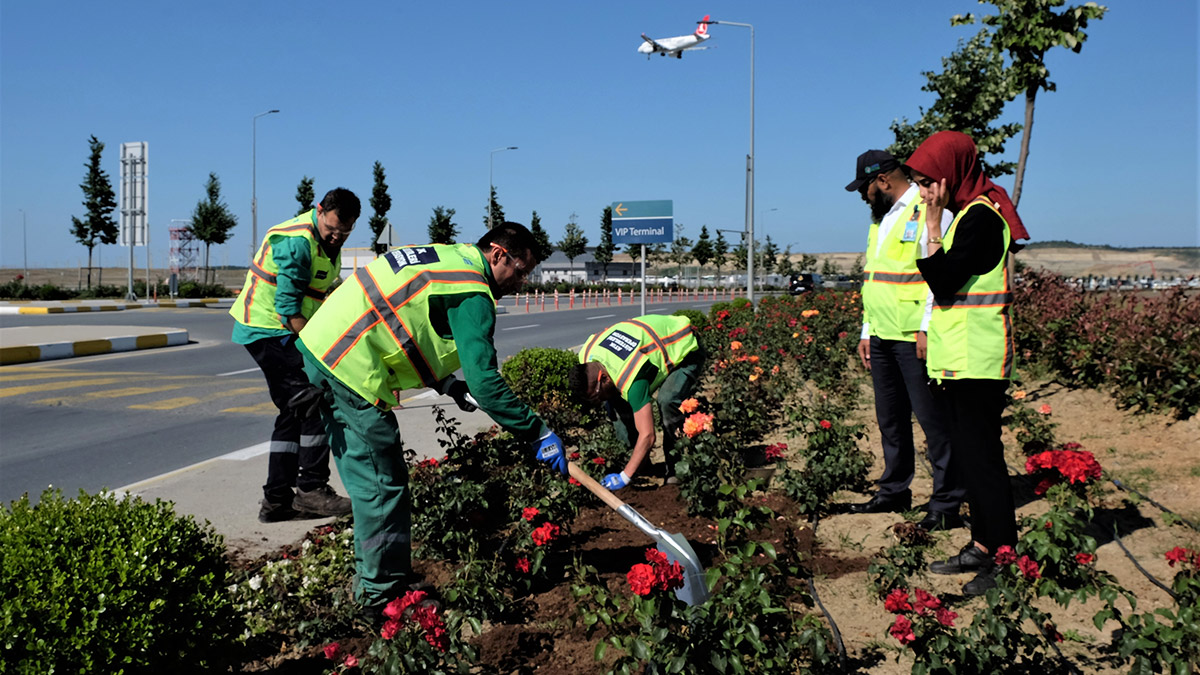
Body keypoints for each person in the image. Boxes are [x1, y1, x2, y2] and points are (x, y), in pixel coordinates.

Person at [296, 222, 568, 613]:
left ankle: (381, 578)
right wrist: (537, 431)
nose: (521, 283)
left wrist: (449, 386)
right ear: (497, 254)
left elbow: (405, 327)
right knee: (381, 484)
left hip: (325, 348)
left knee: (377, 482)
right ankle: (380, 597)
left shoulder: (450, 258)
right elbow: (487, 383)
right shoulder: (473, 292)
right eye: (520, 271)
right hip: (348, 364)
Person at [907, 130, 1029, 596]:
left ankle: (1002, 556)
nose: (922, 194)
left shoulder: (979, 218)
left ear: (949, 175)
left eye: (926, 183)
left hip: (978, 362)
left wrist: (933, 226)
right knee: (972, 459)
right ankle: (983, 543)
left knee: (984, 462)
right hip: (959, 362)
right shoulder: (967, 215)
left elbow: (942, 281)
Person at [843, 150, 965, 531]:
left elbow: (937, 270)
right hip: (881, 334)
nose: (863, 197)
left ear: (882, 181)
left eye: (864, 188)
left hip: (914, 337)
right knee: (890, 419)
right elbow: (875, 278)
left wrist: (927, 327)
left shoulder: (929, 208)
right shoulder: (880, 220)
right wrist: (866, 330)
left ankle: (946, 502)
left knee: (933, 422)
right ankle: (894, 490)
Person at [230, 188, 359, 523]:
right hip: (268, 329)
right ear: (319, 211)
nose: (336, 237)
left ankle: (276, 501)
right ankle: (311, 489)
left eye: (344, 232)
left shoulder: (328, 244)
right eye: (332, 228)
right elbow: (288, 310)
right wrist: (322, 352)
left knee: (293, 412)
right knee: (313, 401)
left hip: (280, 331)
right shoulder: (298, 243)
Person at [567, 314, 704, 489]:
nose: (597, 400)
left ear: (603, 378)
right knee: (614, 402)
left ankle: (674, 470)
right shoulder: (587, 355)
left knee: (667, 401)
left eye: (596, 395)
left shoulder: (631, 377)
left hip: (685, 346)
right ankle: (639, 464)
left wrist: (624, 477)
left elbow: (648, 435)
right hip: (651, 344)